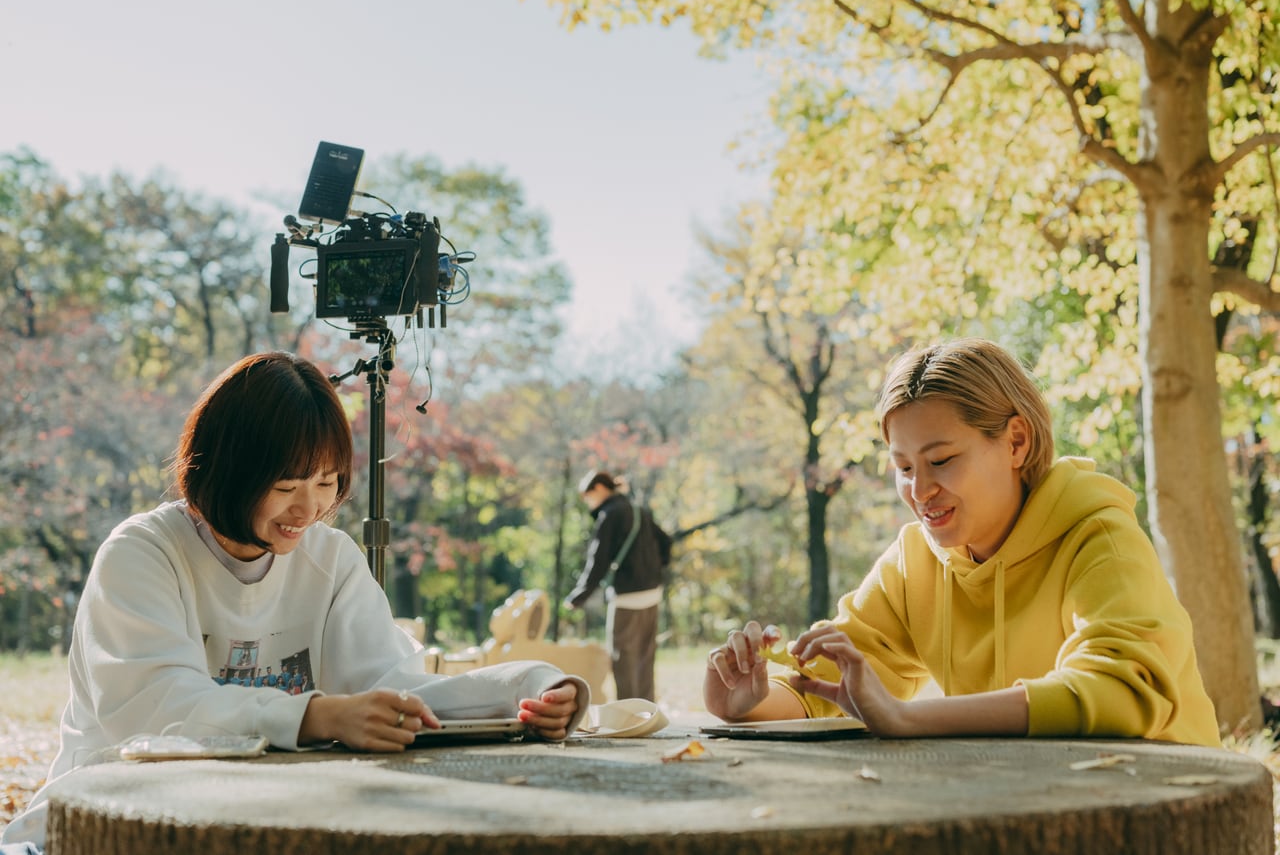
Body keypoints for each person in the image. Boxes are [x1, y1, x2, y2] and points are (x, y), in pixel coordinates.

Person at [2, 352, 589, 854]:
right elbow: (155, 711)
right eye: (286, 487)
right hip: (100, 831)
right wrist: (316, 715)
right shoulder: (144, 554)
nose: (308, 510)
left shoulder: (328, 560)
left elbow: (396, 692)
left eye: (327, 483)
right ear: (227, 471)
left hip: (253, 829)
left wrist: (529, 685)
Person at [704, 338, 1220, 747]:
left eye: (942, 460)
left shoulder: (1098, 538)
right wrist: (748, 702)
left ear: (1016, 442)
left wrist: (909, 717)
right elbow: (829, 689)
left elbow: (1123, 692)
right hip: (1034, 809)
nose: (920, 490)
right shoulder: (914, 565)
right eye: (903, 467)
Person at [564, 470, 672, 701]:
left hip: (626, 596)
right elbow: (666, 541)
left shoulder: (610, 514)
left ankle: (627, 713)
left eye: (588, 496)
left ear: (601, 489)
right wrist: (654, 569)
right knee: (645, 657)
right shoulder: (638, 511)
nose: (588, 503)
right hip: (652, 593)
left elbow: (598, 561)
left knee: (623, 659)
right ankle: (646, 711)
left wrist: (579, 596)